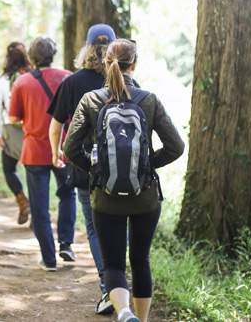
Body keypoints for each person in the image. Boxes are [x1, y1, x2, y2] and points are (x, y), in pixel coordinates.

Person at [64, 39, 184, 322]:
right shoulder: (150, 100)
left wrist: (95, 171)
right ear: (135, 64)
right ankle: (140, 320)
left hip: (105, 198)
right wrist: (147, 165)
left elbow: (71, 148)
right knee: (140, 260)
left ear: (105, 64)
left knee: (114, 263)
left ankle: (124, 312)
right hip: (145, 197)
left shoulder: (91, 100)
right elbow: (176, 147)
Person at [47, 23, 117, 314]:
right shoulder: (123, 81)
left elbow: (55, 126)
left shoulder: (72, 82)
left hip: (85, 166)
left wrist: (56, 154)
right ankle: (120, 283)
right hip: (121, 167)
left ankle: (107, 288)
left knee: (94, 227)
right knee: (119, 224)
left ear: (86, 49)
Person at [8, 37, 76, 272]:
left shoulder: (22, 82)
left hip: (35, 151)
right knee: (67, 195)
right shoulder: (68, 77)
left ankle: (49, 259)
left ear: (32, 57)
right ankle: (66, 243)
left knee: (39, 208)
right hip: (64, 149)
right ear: (53, 54)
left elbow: (13, 118)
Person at [0, 42, 33, 225]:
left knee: (9, 169)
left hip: (11, 131)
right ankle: (37, 213)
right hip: (33, 131)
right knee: (34, 173)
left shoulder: (1, 80)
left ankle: (22, 200)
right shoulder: (34, 76)